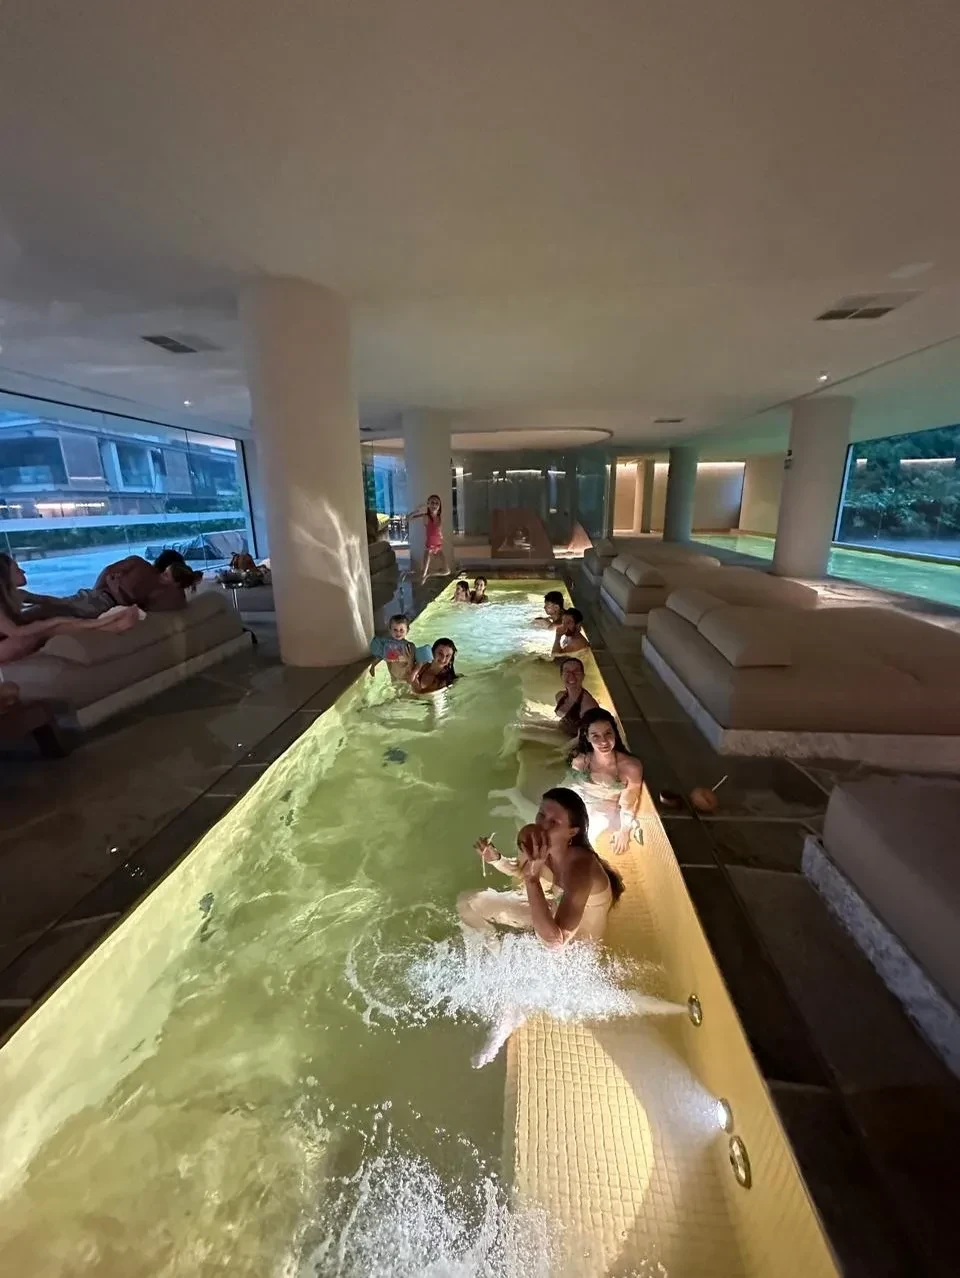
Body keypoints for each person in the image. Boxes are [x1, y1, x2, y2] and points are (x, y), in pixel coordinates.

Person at [458, 787, 624, 947]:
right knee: (467, 902)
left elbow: (555, 942)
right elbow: (521, 870)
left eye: (553, 822)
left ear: (572, 832)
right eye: (541, 815)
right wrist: (497, 860)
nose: (542, 825)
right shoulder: (542, 847)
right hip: (551, 915)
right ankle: (492, 947)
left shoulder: (580, 868)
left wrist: (532, 879)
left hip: (574, 951)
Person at [0, 552, 140, 663]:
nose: (23, 571)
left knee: (47, 618)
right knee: (35, 635)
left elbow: (49, 601)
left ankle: (109, 626)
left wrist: (65, 611)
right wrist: (56, 620)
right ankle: (105, 624)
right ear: (5, 577)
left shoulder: (17, 595)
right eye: (17, 570)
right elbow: (16, 632)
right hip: (8, 645)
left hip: (10, 640)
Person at [569, 708, 644, 855]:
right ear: (587, 737)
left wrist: (624, 830)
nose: (603, 741)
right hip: (578, 805)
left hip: (600, 814)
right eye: (595, 736)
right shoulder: (580, 761)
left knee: (578, 845)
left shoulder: (630, 767)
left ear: (615, 733)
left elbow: (628, 804)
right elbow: (572, 787)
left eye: (608, 733)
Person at [368, 613, 432, 683]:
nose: (398, 633)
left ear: (407, 630)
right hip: (394, 678)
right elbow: (381, 656)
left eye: (401, 630)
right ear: (390, 630)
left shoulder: (409, 646)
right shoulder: (387, 645)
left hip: (406, 678)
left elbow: (411, 664)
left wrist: (412, 673)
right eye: (395, 630)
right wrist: (373, 666)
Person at [408, 494, 449, 584]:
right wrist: (417, 510)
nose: (434, 505)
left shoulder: (440, 517)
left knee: (447, 571)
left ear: (439, 506)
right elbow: (409, 518)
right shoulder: (426, 516)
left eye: (437, 503)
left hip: (439, 547)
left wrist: (441, 536)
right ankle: (423, 578)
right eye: (432, 503)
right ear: (428, 504)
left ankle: (429, 575)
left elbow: (438, 530)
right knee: (423, 575)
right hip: (429, 548)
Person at [554, 657, 599, 738]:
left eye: (576, 672)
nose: (571, 675)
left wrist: (562, 747)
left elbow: (587, 736)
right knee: (529, 727)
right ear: (561, 676)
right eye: (567, 672)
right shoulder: (560, 696)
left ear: (583, 676)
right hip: (563, 729)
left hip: (574, 739)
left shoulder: (588, 705)